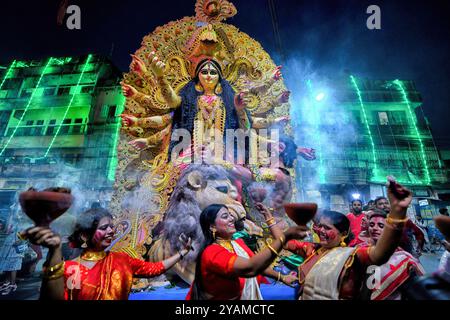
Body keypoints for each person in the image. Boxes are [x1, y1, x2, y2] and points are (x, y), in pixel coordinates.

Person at [285, 178, 415, 300]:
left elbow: (379, 254)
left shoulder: (351, 255)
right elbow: (285, 241)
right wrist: (271, 221)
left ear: (343, 233)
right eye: (320, 226)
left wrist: (397, 212)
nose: (321, 230)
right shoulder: (313, 249)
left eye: (327, 228)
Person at [24, 208, 193, 300]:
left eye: (112, 227)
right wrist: (55, 250)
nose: (111, 231)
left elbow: (154, 268)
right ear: (85, 235)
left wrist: (182, 252)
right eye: (104, 228)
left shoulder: (122, 259)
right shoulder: (72, 268)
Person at [187, 203, 307, 300]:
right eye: (225, 216)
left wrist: (282, 277)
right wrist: (284, 237)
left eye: (230, 215)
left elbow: (257, 264)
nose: (231, 219)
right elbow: (251, 268)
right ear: (212, 227)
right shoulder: (212, 252)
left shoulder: (237, 243)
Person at [362, 209, 425, 300]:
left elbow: (415, 291)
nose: (374, 228)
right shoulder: (362, 251)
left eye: (380, 225)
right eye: (371, 225)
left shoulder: (402, 259)